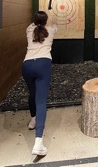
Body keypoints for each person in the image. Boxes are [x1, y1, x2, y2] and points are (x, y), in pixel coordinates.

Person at [22, 11, 57, 156]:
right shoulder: (51, 30)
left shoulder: (29, 29)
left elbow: (35, 24)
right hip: (43, 64)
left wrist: (40, 18)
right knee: (41, 101)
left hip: (27, 65)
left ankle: (33, 120)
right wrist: (50, 15)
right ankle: (38, 143)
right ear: (45, 21)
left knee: (32, 93)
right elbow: (55, 22)